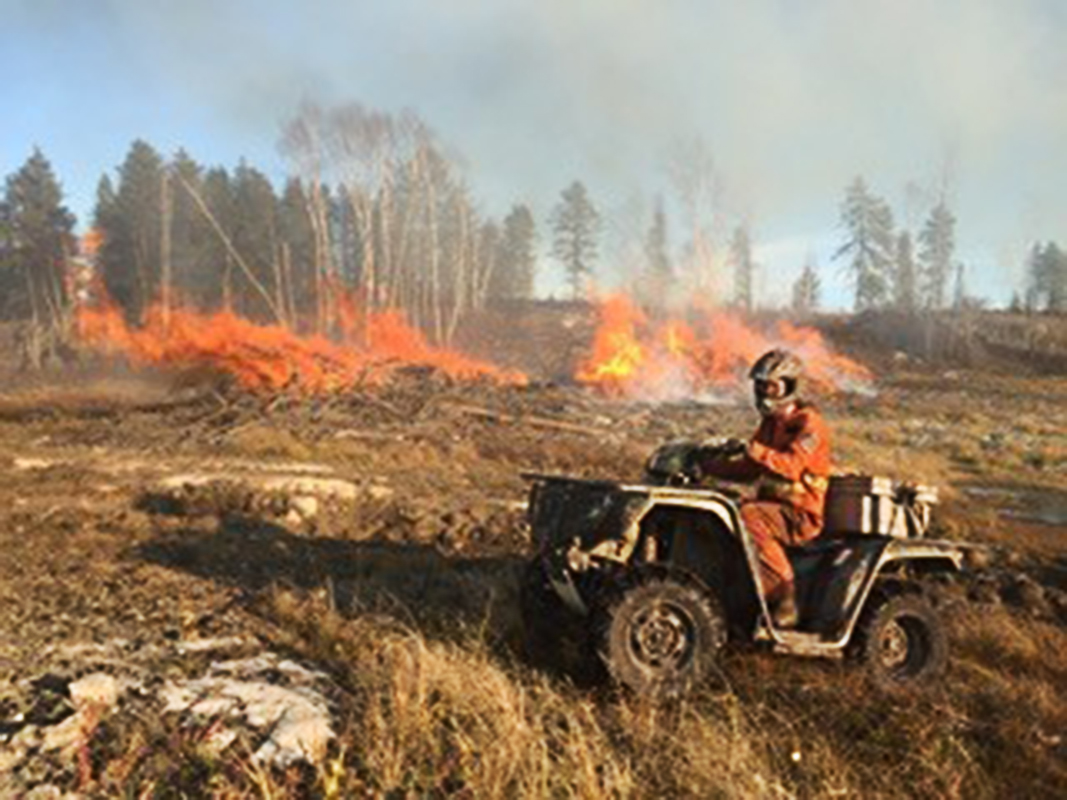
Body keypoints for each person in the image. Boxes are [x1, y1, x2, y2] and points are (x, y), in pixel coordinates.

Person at [695, 349, 832, 628]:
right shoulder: (770, 425)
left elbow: (791, 465)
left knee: (750, 516)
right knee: (723, 508)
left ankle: (785, 598)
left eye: (771, 386)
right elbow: (749, 469)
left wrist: (754, 450)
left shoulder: (808, 424)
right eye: (760, 386)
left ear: (790, 386)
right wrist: (707, 467)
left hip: (801, 514)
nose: (764, 393)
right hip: (776, 509)